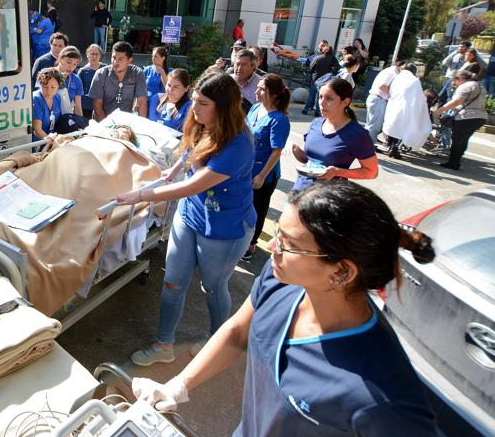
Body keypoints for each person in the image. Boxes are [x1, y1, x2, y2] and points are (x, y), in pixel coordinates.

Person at [131, 181, 442, 437]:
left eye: (287, 244)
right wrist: (179, 384)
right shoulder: (282, 279)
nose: (270, 248)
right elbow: (239, 331)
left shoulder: (384, 399)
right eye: (277, 234)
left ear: (342, 272)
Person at [115, 72, 256, 365]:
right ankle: (164, 344)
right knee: (173, 283)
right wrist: (174, 169)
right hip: (191, 215)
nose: (194, 109)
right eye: (194, 102)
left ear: (224, 108)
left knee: (213, 286)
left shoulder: (240, 143)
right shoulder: (202, 123)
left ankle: (216, 339)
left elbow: (196, 185)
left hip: (224, 228)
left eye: (203, 104)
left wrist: (141, 196)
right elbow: (191, 149)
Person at [291, 77, 378, 191]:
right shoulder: (316, 123)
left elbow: (372, 172)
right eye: (320, 97)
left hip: (328, 198)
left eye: (329, 98)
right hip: (300, 190)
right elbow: (310, 158)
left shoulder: (357, 134)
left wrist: (338, 172)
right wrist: (295, 149)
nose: (321, 103)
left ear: (345, 102)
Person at [244, 74, 291, 260]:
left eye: (262, 89)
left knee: (258, 207)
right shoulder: (255, 108)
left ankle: (251, 243)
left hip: (264, 173)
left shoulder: (279, 119)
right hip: (246, 168)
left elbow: (276, 151)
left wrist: (262, 175)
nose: (257, 91)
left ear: (275, 94)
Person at [434, 69, 488, 171]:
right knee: (464, 138)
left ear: (459, 78)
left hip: (466, 117)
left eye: (455, 81)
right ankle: (456, 159)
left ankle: (453, 163)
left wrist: (440, 110)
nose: (454, 83)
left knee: (457, 139)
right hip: (480, 117)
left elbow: (457, 101)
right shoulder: (480, 85)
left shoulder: (465, 86)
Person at [88, 41, 148, 120]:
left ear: (129, 60)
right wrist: (107, 127)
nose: (115, 62)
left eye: (120, 59)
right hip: (103, 122)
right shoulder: (101, 74)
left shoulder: (137, 73)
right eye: (114, 57)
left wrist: (141, 126)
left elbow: (142, 102)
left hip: (126, 123)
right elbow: (97, 105)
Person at [382, 63, 432, 159]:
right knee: (402, 129)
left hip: (394, 105)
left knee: (393, 127)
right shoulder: (415, 81)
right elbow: (419, 97)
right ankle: (395, 148)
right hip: (408, 109)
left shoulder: (397, 78)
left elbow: (391, 91)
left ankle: (390, 146)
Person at [363, 60, 402, 143]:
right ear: (400, 66)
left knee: (370, 124)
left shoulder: (388, 70)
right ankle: (369, 145)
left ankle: (365, 143)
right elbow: (382, 86)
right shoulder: (392, 73)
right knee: (374, 126)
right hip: (379, 100)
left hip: (375, 98)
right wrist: (393, 94)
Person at [300, 42, 339, 117]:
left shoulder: (318, 57)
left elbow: (311, 66)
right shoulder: (333, 58)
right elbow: (338, 67)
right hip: (325, 79)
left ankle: (305, 109)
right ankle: (317, 112)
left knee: (311, 95)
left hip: (315, 78)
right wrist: (332, 72)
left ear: (324, 50)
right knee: (320, 96)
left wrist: (314, 72)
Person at [33, 68, 65, 141]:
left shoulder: (57, 98)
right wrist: (49, 141)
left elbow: (58, 122)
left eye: (53, 87)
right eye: (45, 87)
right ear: (40, 83)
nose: (49, 91)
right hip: (39, 143)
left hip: (53, 139)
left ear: (58, 86)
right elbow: (37, 130)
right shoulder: (35, 99)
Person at [51, 46, 84, 115]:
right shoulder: (47, 74)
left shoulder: (76, 80)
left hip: (66, 118)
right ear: (60, 58)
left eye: (75, 64)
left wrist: (80, 123)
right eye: (69, 62)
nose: (71, 67)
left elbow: (78, 107)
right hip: (49, 116)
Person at [78, 44, 106, 119]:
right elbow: (79, 89)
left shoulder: (106, 69)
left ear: (100, 55)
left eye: (96, 54)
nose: (94, 56)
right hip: (87, 105)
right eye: (91, 54)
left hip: (103, 104)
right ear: (87, 55)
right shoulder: (83, 71)